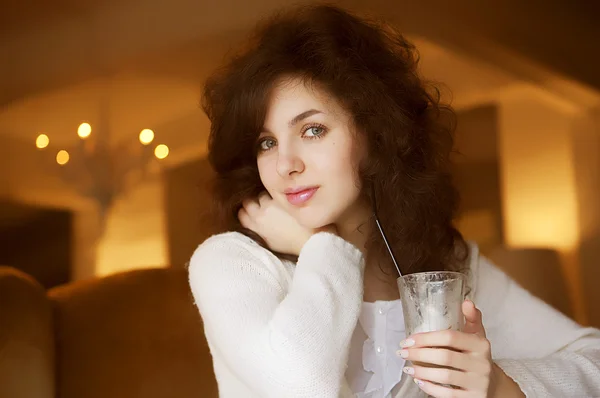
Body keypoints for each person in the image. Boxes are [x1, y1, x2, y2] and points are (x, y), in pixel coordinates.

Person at [188, 4, 600, 397]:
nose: (285, 164)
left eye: (313, 130)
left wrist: (498, 385)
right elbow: (301, 388)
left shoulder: (447, 265)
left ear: (374, 133)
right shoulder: (230, 263)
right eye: (266, 142)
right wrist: (322, 245)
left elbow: (593, 363)